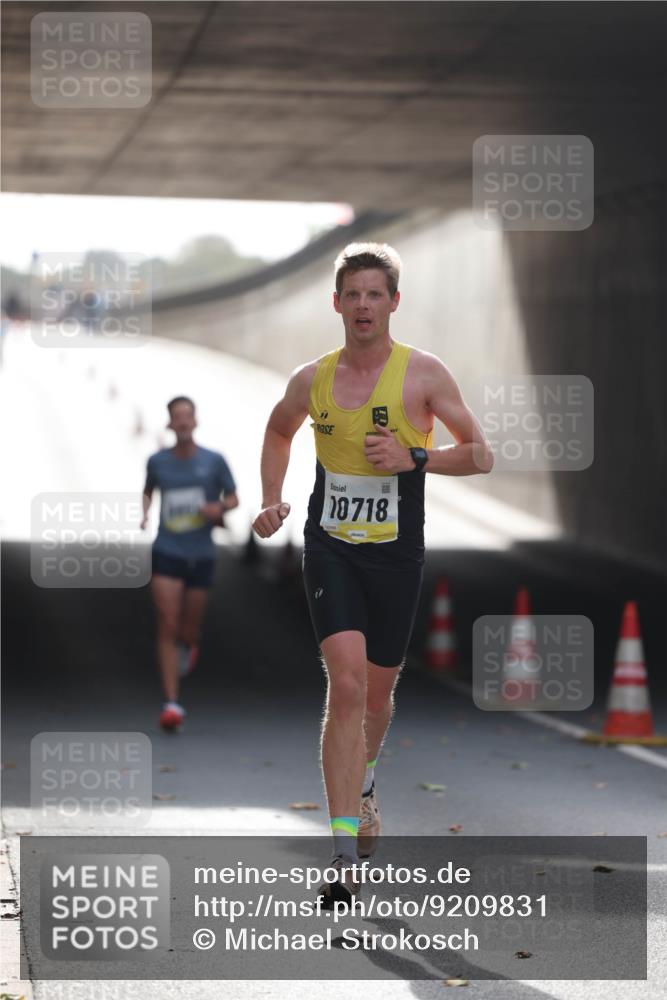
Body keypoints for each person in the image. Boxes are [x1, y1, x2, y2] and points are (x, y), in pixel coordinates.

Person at [252, 242, 493, 906]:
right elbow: (279, 432)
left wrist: (415, 457)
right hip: (330, 547)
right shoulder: (313, 378)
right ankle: (339, 855)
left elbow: (480, 455)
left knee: (379, 697)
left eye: (374, 294)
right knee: (348, 686)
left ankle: (364, 786)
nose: (362, 305)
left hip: (395, 554)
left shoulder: (423, 375)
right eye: (351, 294)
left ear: (392, 302)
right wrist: (271, 498)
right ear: (336, 304)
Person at [142, 396, 239, 732]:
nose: (183, 422)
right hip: (167, 550)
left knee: (187, 627)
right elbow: (149, 490)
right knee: (167, 622)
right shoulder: (158, 461)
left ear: (195, 421)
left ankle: (188, 643)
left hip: (201, 555)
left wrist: (219, 509)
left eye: (187, 416)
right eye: (176, 417)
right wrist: (143, 512)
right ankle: (172, 702)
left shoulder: (213, 461)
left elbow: (234, 496)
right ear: (170, 424)